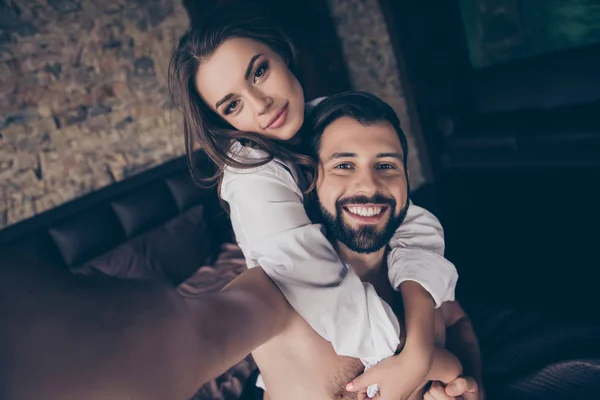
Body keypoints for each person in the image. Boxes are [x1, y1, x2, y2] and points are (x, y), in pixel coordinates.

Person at [170, 5, 458, 397]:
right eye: (232, 104)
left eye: (258, 72)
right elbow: (327, 295)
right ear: (224, 123)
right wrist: (417, 356)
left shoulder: (328, 115)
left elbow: (413, 220)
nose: (261, 104)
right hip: (327, 360)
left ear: (282, 54)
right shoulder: (251, 177)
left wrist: (422, 348)